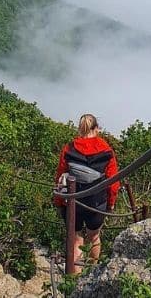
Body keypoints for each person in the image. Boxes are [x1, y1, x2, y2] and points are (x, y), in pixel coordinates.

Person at [54, 114, 119, 273]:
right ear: (96, 128)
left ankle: (73, 283)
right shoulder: (106, 149)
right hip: (97, 203)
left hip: (73, 201)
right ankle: (90, 275)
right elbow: (113, 183)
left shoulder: (69, 148)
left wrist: (59, 201)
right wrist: (110, 203)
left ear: (80, 128)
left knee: (76, 240)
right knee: (94, 237)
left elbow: (60, 176)